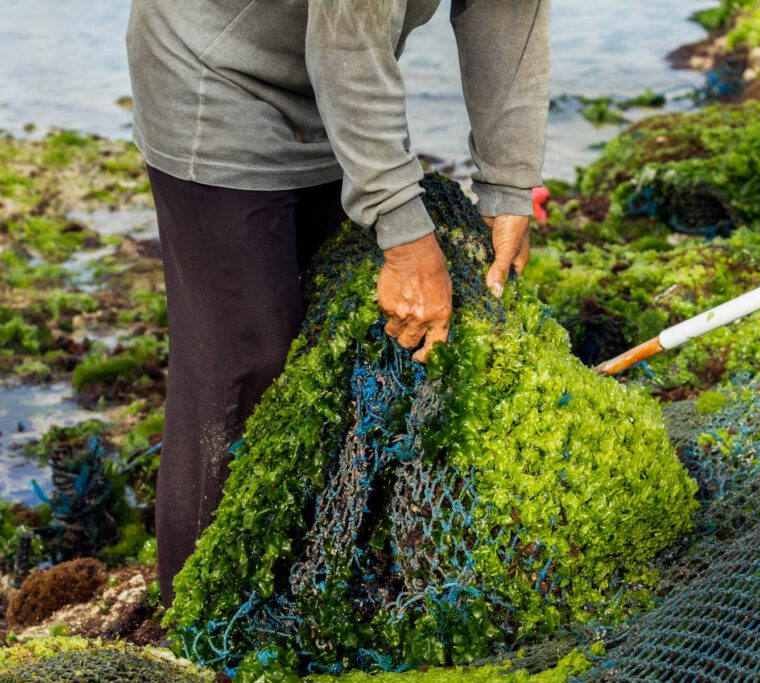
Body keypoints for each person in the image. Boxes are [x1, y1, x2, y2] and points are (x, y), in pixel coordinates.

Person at [125, 0, 550, 608]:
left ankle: (297, 599)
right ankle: (194, 628)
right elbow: (348, 48)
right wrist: (404, 236)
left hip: (339, 91)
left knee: (327, 360)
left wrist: (509, 183)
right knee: (246, 368)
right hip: (216, 71)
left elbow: (505, 10)